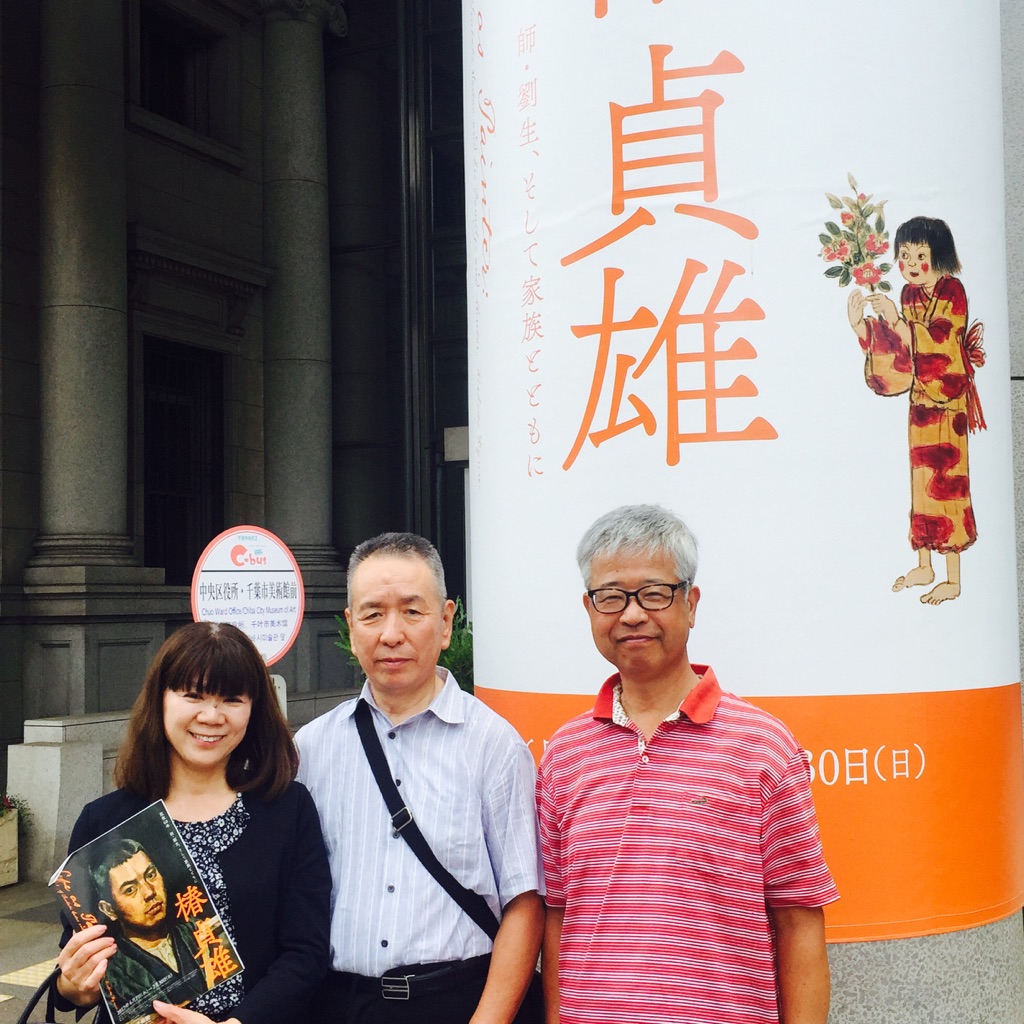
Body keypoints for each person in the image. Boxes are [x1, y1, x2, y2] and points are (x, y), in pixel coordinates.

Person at [537, 505, 839, 1024]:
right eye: (611, 596)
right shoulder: (564, 754)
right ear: (589, 608)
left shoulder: (764, 747)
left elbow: (799, 921)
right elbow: (558, 918)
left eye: (654, 594)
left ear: (691, 603)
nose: (632, 614)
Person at [296, 531, 543, 1024]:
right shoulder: (311, 748)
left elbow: (525, 903)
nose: (391, 634)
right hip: (339, 1004)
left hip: (458, 1002)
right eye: (372, 614)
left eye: (412, 611)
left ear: (446, 622)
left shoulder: (494, 745)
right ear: (350, 627)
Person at [54, 622, 332, 1024]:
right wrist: (73, 984)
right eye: (193, 695)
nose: (211, 716)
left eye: (232, 699)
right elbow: (75, 972)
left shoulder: (287, 809)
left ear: (254, 709)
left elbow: (306, 954)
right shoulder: (104, 820)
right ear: (160, 700)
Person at [847, 215, 985, 605]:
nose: (910, 264)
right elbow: (901, 352)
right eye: (904, 255)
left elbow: (941, 341)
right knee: (921, 483)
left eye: (920, 256)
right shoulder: (908, 296)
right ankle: (925, 563)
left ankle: (953, 578)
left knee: (948, 483)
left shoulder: (953, 291)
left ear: (939, 256)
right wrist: (862, 327)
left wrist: (896, 320)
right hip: (921, 402)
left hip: (948, 400)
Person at [89, 838, 208, 1013]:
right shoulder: (111, 971)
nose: (149, 892)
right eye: (130, 889)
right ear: (109, 910)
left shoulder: (199, 930)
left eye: (151, 875)